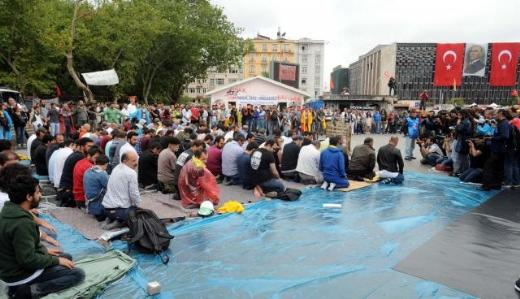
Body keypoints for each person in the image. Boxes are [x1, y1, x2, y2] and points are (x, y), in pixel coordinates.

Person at [0, 173, 85, 298]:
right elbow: (28, 260)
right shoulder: (22, 223)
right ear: (29, 197)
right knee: (77, 274)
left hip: (13, 267)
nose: (40, 196)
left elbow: (20, 248)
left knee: (67, 256)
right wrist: (56, 260)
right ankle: (28, 291)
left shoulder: (9, 211)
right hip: (19, 274)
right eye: (38, 193)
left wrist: (45, 251)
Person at [102, 152, 141, 226]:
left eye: (136, 160)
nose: (136, 163)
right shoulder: (131, 173)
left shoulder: (116, 168)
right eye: (133, 161)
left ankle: (111, 218)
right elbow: (134, 194)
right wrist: (138, 208)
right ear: (124, 161)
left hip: (105, 209)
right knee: (137, 212)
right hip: (120, 212)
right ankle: (119, 221)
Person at [58, 137, 94, 207]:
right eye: (89, 146)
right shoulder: (79, 157)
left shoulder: (76, 154)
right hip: (69, 192)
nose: (91, 148)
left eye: (92, 146)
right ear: (81, 146)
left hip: (65, 188)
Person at [482, 110, 510, 190]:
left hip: (498, 149)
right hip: (498, 148)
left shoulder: (504, 123)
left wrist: (492, 138)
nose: (495, 115)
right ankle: (496, 185)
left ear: (501, 114)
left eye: (496, 114)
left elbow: (505, 136)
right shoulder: (501, 123)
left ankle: (487, 186)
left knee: (489, 166)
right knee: (497, 168)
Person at [83, 154, 109, 221]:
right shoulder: (102, 174)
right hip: (99, 208)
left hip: (89, 205)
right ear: (106, 164)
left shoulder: (87, 171)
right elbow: (109, 187)